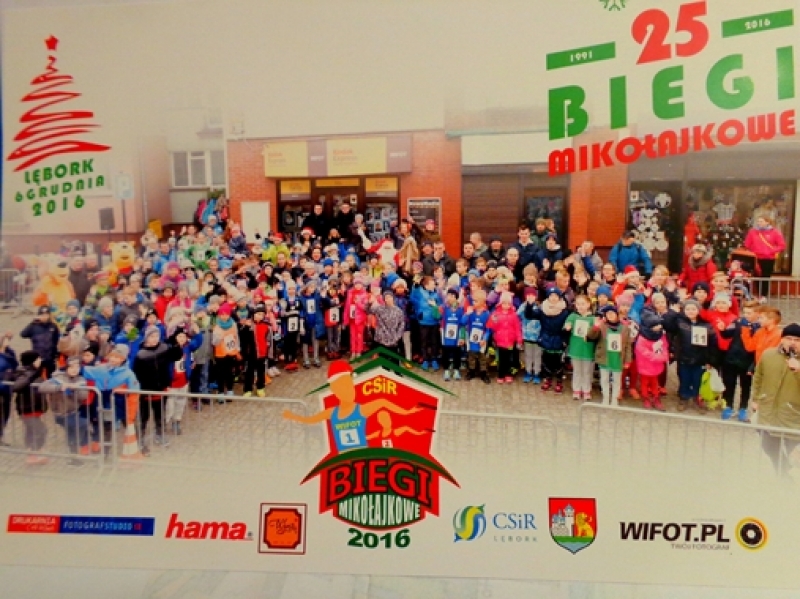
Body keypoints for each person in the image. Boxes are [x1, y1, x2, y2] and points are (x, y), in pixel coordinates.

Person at [282, 360, 422, 453]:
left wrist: (407, 412)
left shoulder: (361, 410)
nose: (350, 391)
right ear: (334, 389)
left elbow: (383, 401)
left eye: (350, 386)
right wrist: (293, 416)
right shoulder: (332, 412)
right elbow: (311, 420)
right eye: (344, 387)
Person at [751, 323, 800, 477]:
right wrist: (756, 398)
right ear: (782, 339)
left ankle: (786, 477)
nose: (792, 342)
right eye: (789, 338)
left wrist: (798, 370)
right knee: (769, 446)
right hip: (768, 411)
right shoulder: (768, 355)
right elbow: (758, 377)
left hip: (793, 415)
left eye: (797, 340)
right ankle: (784, 475)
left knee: (790, 450)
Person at [39, 357, 91, 466]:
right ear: (66, 367)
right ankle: (75, 452)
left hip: (73, 411)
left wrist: (73, 389)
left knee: (73, 432)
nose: (74, 370)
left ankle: (74, 458)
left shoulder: (80, 380)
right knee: (81, 425)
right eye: (71, 367)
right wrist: (59, 387)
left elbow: (83, 396)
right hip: (61, 413)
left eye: (77, 367)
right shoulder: (57, 377)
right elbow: (42, 387)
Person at [588, 305, 634, 406]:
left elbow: (628, 345)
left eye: (612, 313)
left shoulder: (625, 328)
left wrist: (627, 360)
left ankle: (614, 398)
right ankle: (605, 397)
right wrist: (595, 327)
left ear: (617, 314)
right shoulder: (602, 326)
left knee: (617, 380)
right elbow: (591, 337)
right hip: (605, 357)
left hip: (617, 358)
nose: (610, 315)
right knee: (604, 379)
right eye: (608, 314)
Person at [13, 351, 48, 465]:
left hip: (35, 408)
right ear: (32, 361)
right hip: (27, 408)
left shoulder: (36, 371)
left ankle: (32, 453)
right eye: (38, 359)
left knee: (31, 431)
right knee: (41, 430)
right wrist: (31, 375)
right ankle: (33, 453)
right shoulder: (25, 373)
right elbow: (17, 386)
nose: (40, 361)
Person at [744, 216, 787, 297]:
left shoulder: (775, 232)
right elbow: (747, 244)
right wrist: (752, 251)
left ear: (767, 222)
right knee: (757, 276)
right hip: (756, 258)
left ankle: (764, 294)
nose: (759, 223)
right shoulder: (752, 232)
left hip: (768, 258)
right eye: (758, 221)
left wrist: (771, 251)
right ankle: (759, 294)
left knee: (766, 276)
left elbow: (782, 245)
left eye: (761, 221)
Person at [487, 291, 523, 384]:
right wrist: (493, 321)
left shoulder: (514, 315)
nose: (506, 305)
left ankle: (508, 374)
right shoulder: (496, 313)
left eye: (508, 303)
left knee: (509, 359)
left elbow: (517, 328)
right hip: (500, 340)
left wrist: (519, 339)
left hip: (511, 341)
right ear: (501, 303)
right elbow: (491, 326)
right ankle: (500, 374)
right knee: (501, 359)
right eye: (504, 303)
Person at [19, 306, 60, 376]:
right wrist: (32, 323)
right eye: (42, 314)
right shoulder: (33, 326)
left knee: (51, 377)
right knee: (35, 377)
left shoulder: (53, 326)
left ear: (49, 315)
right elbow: (23, 334)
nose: (44, 316)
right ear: (38, 315)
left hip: (50, 358)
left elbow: (56, 341)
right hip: (37, 359)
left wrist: (56, 355)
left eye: (46, 314)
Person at [0, 332, 18, 447]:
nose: (8, 341)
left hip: (7, 389)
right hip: (2, 387)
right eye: (5, 340)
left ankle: (0, 436)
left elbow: (15, 365)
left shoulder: (9, 353)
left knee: (5, 414)